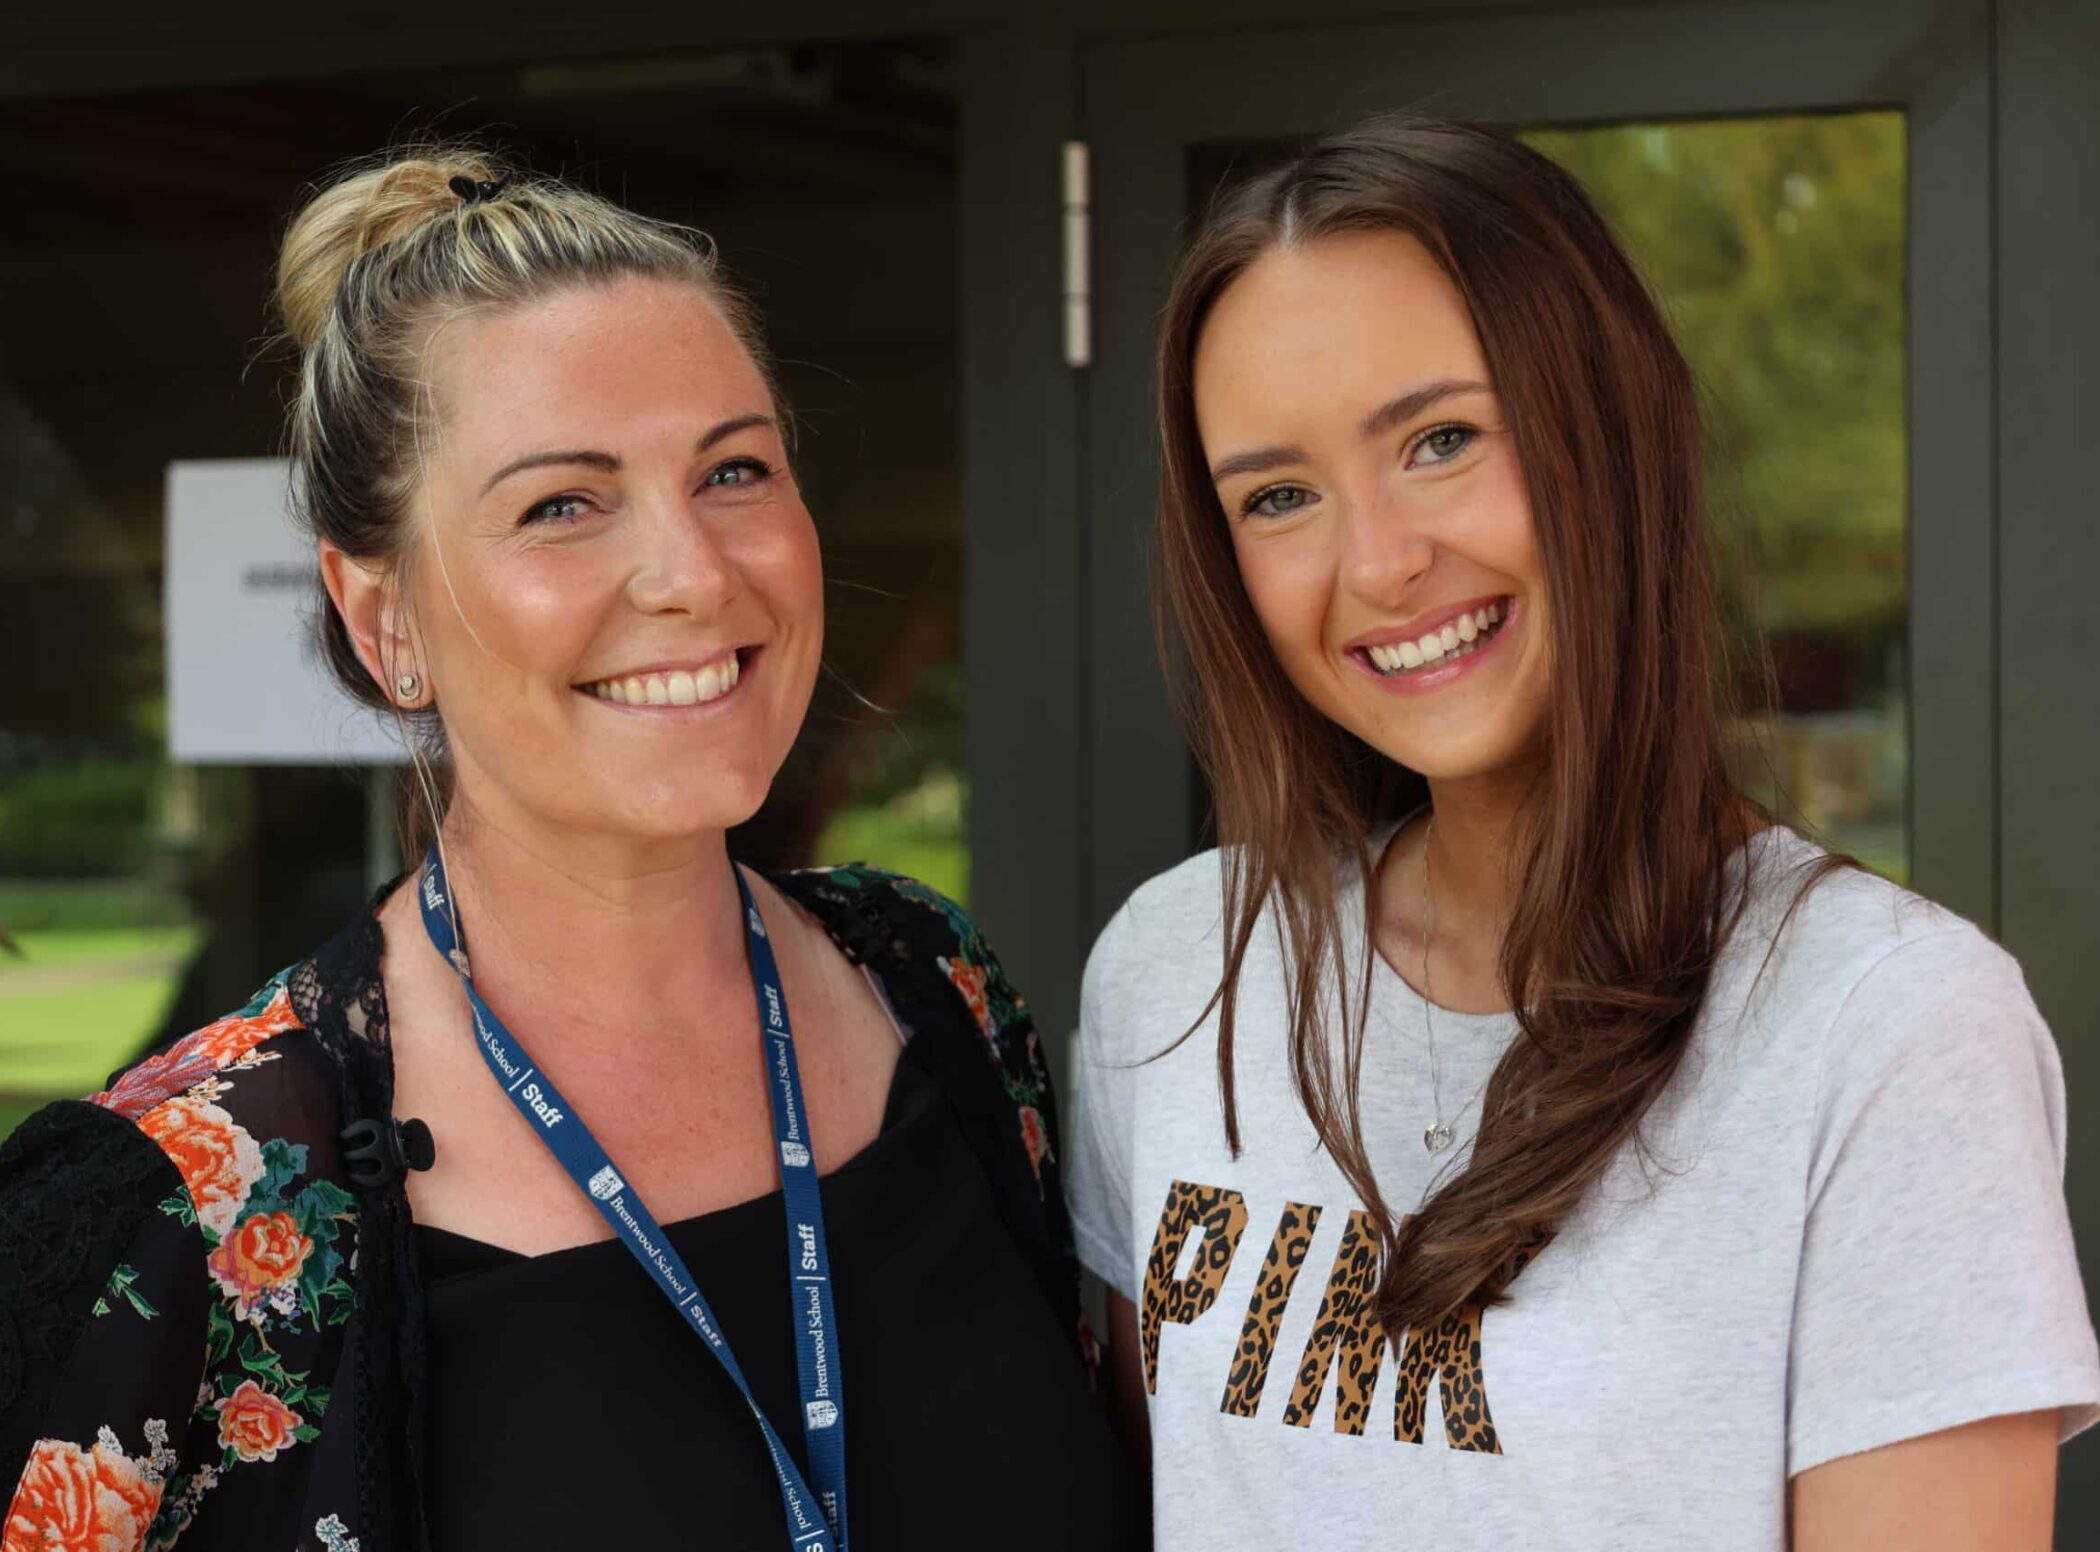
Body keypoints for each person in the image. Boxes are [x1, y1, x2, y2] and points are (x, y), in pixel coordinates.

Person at [0, 148, 1137, 1552]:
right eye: (562, 504)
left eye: (735, 469)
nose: (696, 574)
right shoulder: (183, 1204)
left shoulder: (933, 990)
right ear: (385, 620)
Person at [1066, 115, 2099, 1551]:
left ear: (1608, 432)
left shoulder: (1885, 1026)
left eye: (1440, 440)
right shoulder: (1179, 974)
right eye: (1280, 496)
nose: (1377, 563)